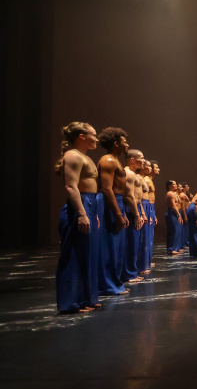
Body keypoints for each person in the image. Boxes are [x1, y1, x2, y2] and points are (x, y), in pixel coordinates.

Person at [54, 122, 101, 314]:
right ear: (82, 136)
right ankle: (70, 303)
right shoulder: (73, 155)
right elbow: (71, 187)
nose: (96, 139)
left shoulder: (84, 157)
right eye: (93, 135)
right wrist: (82, 213)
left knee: (86, 255)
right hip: (79, 206)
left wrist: (93, 213)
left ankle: (85, 298)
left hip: (89, 204)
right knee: (73, 255)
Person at [95, 127, 130, 296]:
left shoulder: (116, 160)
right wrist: (117, 213)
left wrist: (122, 212)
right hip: (111, 202)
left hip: (118, 201)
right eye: (124, 142)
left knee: (117, 246)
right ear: (116, 143)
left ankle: (114, 282)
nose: (127, 145)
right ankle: (107, 285)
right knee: (109, 245)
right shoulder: (108, 160)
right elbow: (106, 189)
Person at [119, 149, 146, 283]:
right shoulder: (128, 173)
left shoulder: (134, 174)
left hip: (135, 209)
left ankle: (132, 272)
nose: (144, 160)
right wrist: (136, 215)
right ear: (132, 160)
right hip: (130, 211)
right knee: (130, 243)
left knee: (135, 243)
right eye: (141, 157)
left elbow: (138, 195)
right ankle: (128, 274)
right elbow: (129, 196)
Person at [165, 180, 184, 255]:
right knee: (173, 231)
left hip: (177, 212)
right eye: (174, 184)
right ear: (169, 186)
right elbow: (173, 205)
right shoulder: (170, 193)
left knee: (178, 231)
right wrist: (178, 215)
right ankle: (171, 248)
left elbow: (180, 202)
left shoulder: (175, 193)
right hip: (172, 213)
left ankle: (177, 247)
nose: (176, 186)